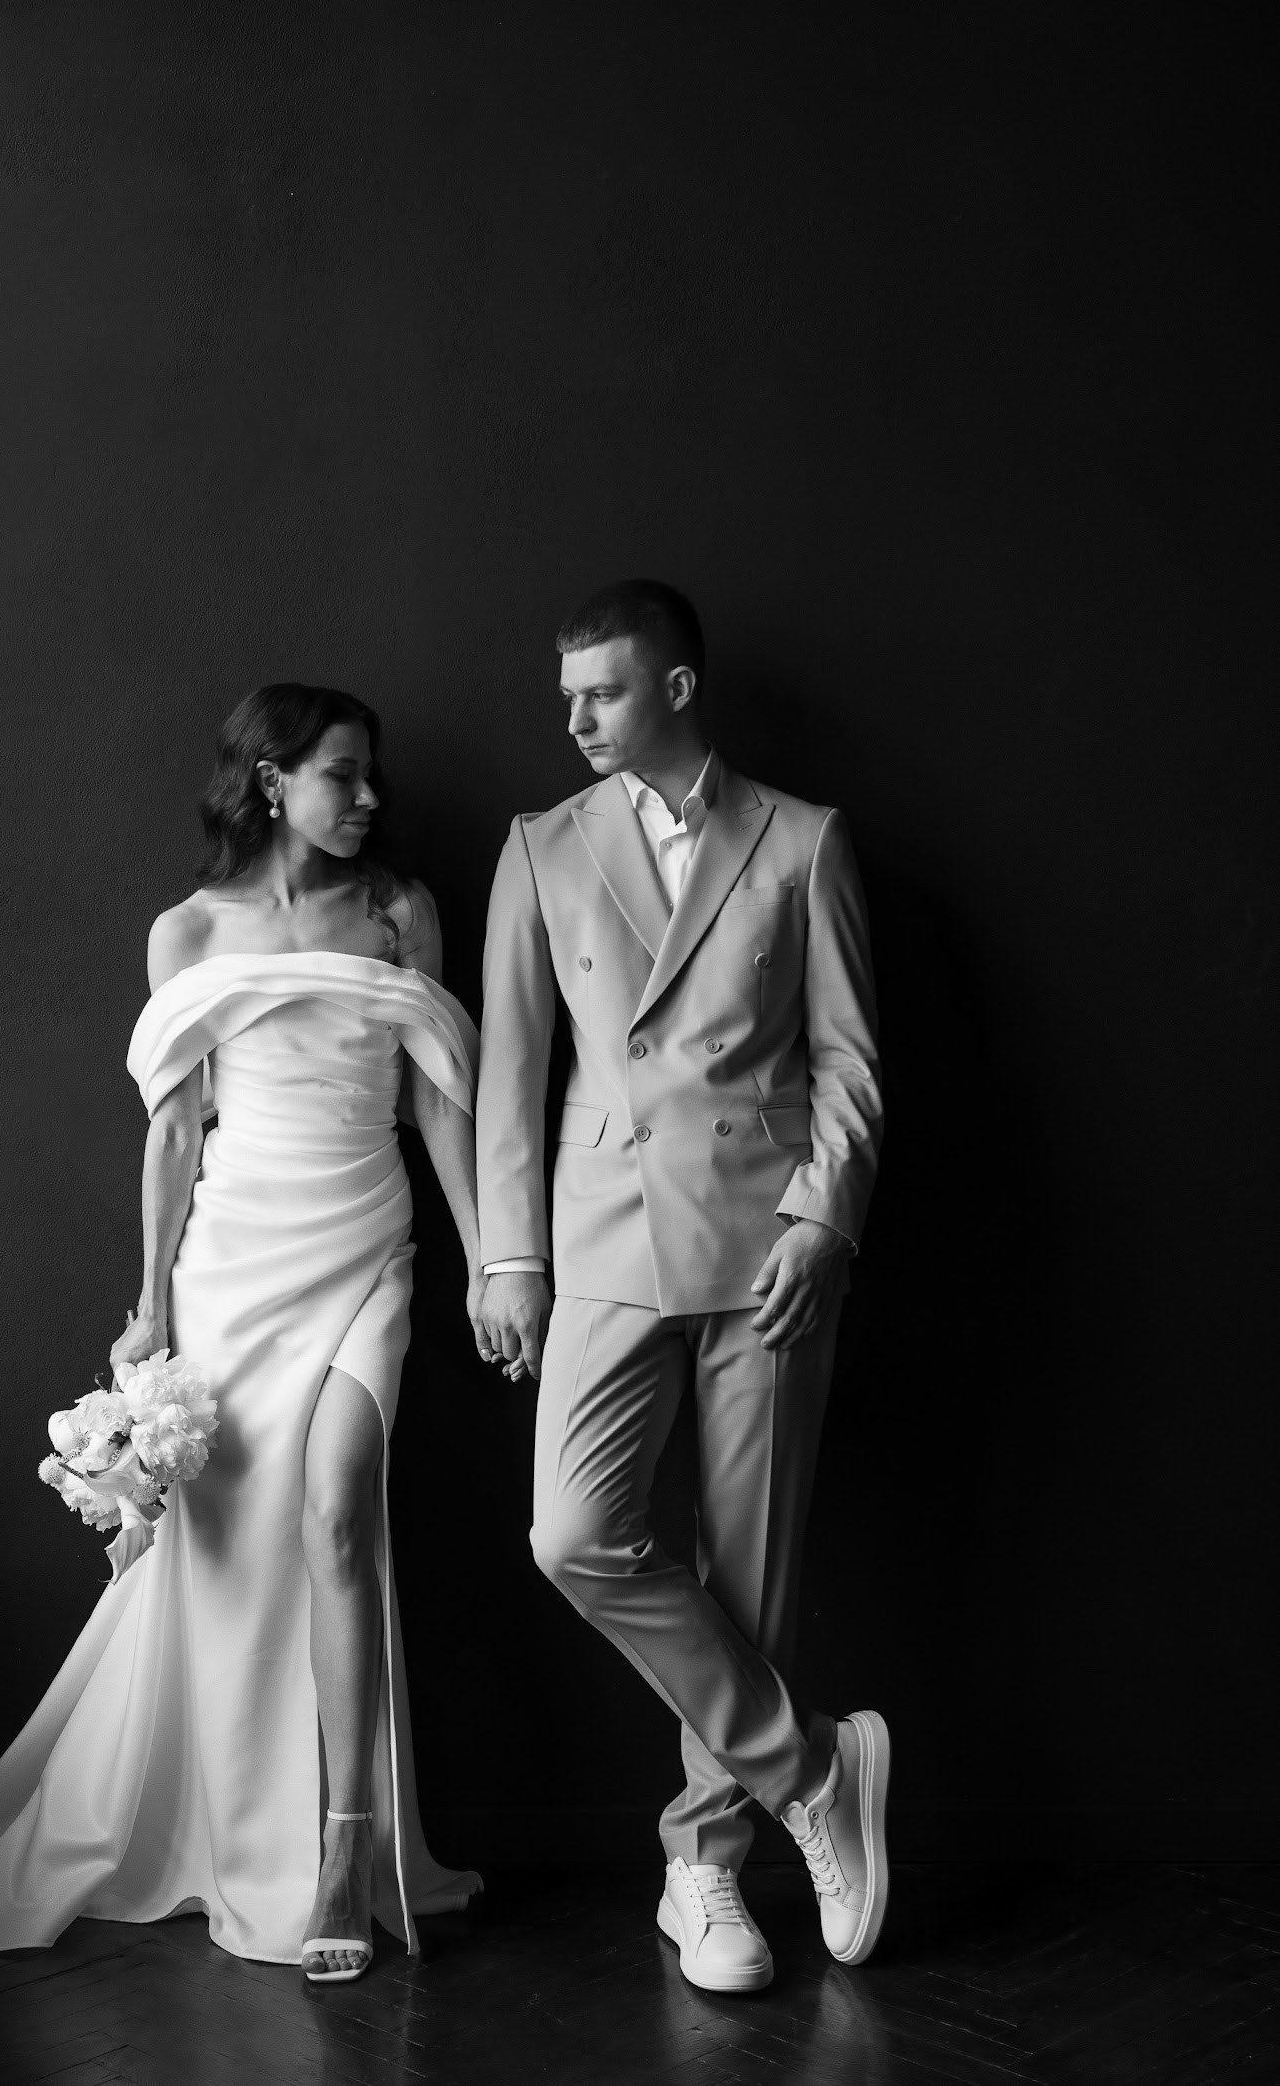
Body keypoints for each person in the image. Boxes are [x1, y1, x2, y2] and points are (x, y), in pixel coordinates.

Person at [0, 684, 483, 1980]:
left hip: (366, 1253)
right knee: (232, 1556)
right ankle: (238, 1825)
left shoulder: (400, 912)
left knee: (342, 1510)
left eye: (371, 774)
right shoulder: (189, 931)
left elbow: (443, 1099)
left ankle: (347, 1854)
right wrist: (152, 1307)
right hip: (236, 1264)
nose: (369, 797)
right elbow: (172, 1129)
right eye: (343, 774)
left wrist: (492, 1262)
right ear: (273, 781)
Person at [473, 582, 888, 1994]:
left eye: (602, 691)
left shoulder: (804, 838)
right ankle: (815, 1771)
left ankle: (703, 1868)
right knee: (574, 1535)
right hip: (602, 1242)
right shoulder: (541, 846)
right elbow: (511, 1076)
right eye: (568, 695)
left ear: (678, 688)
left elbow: (850, 1061)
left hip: (767, 1248)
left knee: (749, 1573)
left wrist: (824, 1219)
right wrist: (511, 1257)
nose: (576, 719)